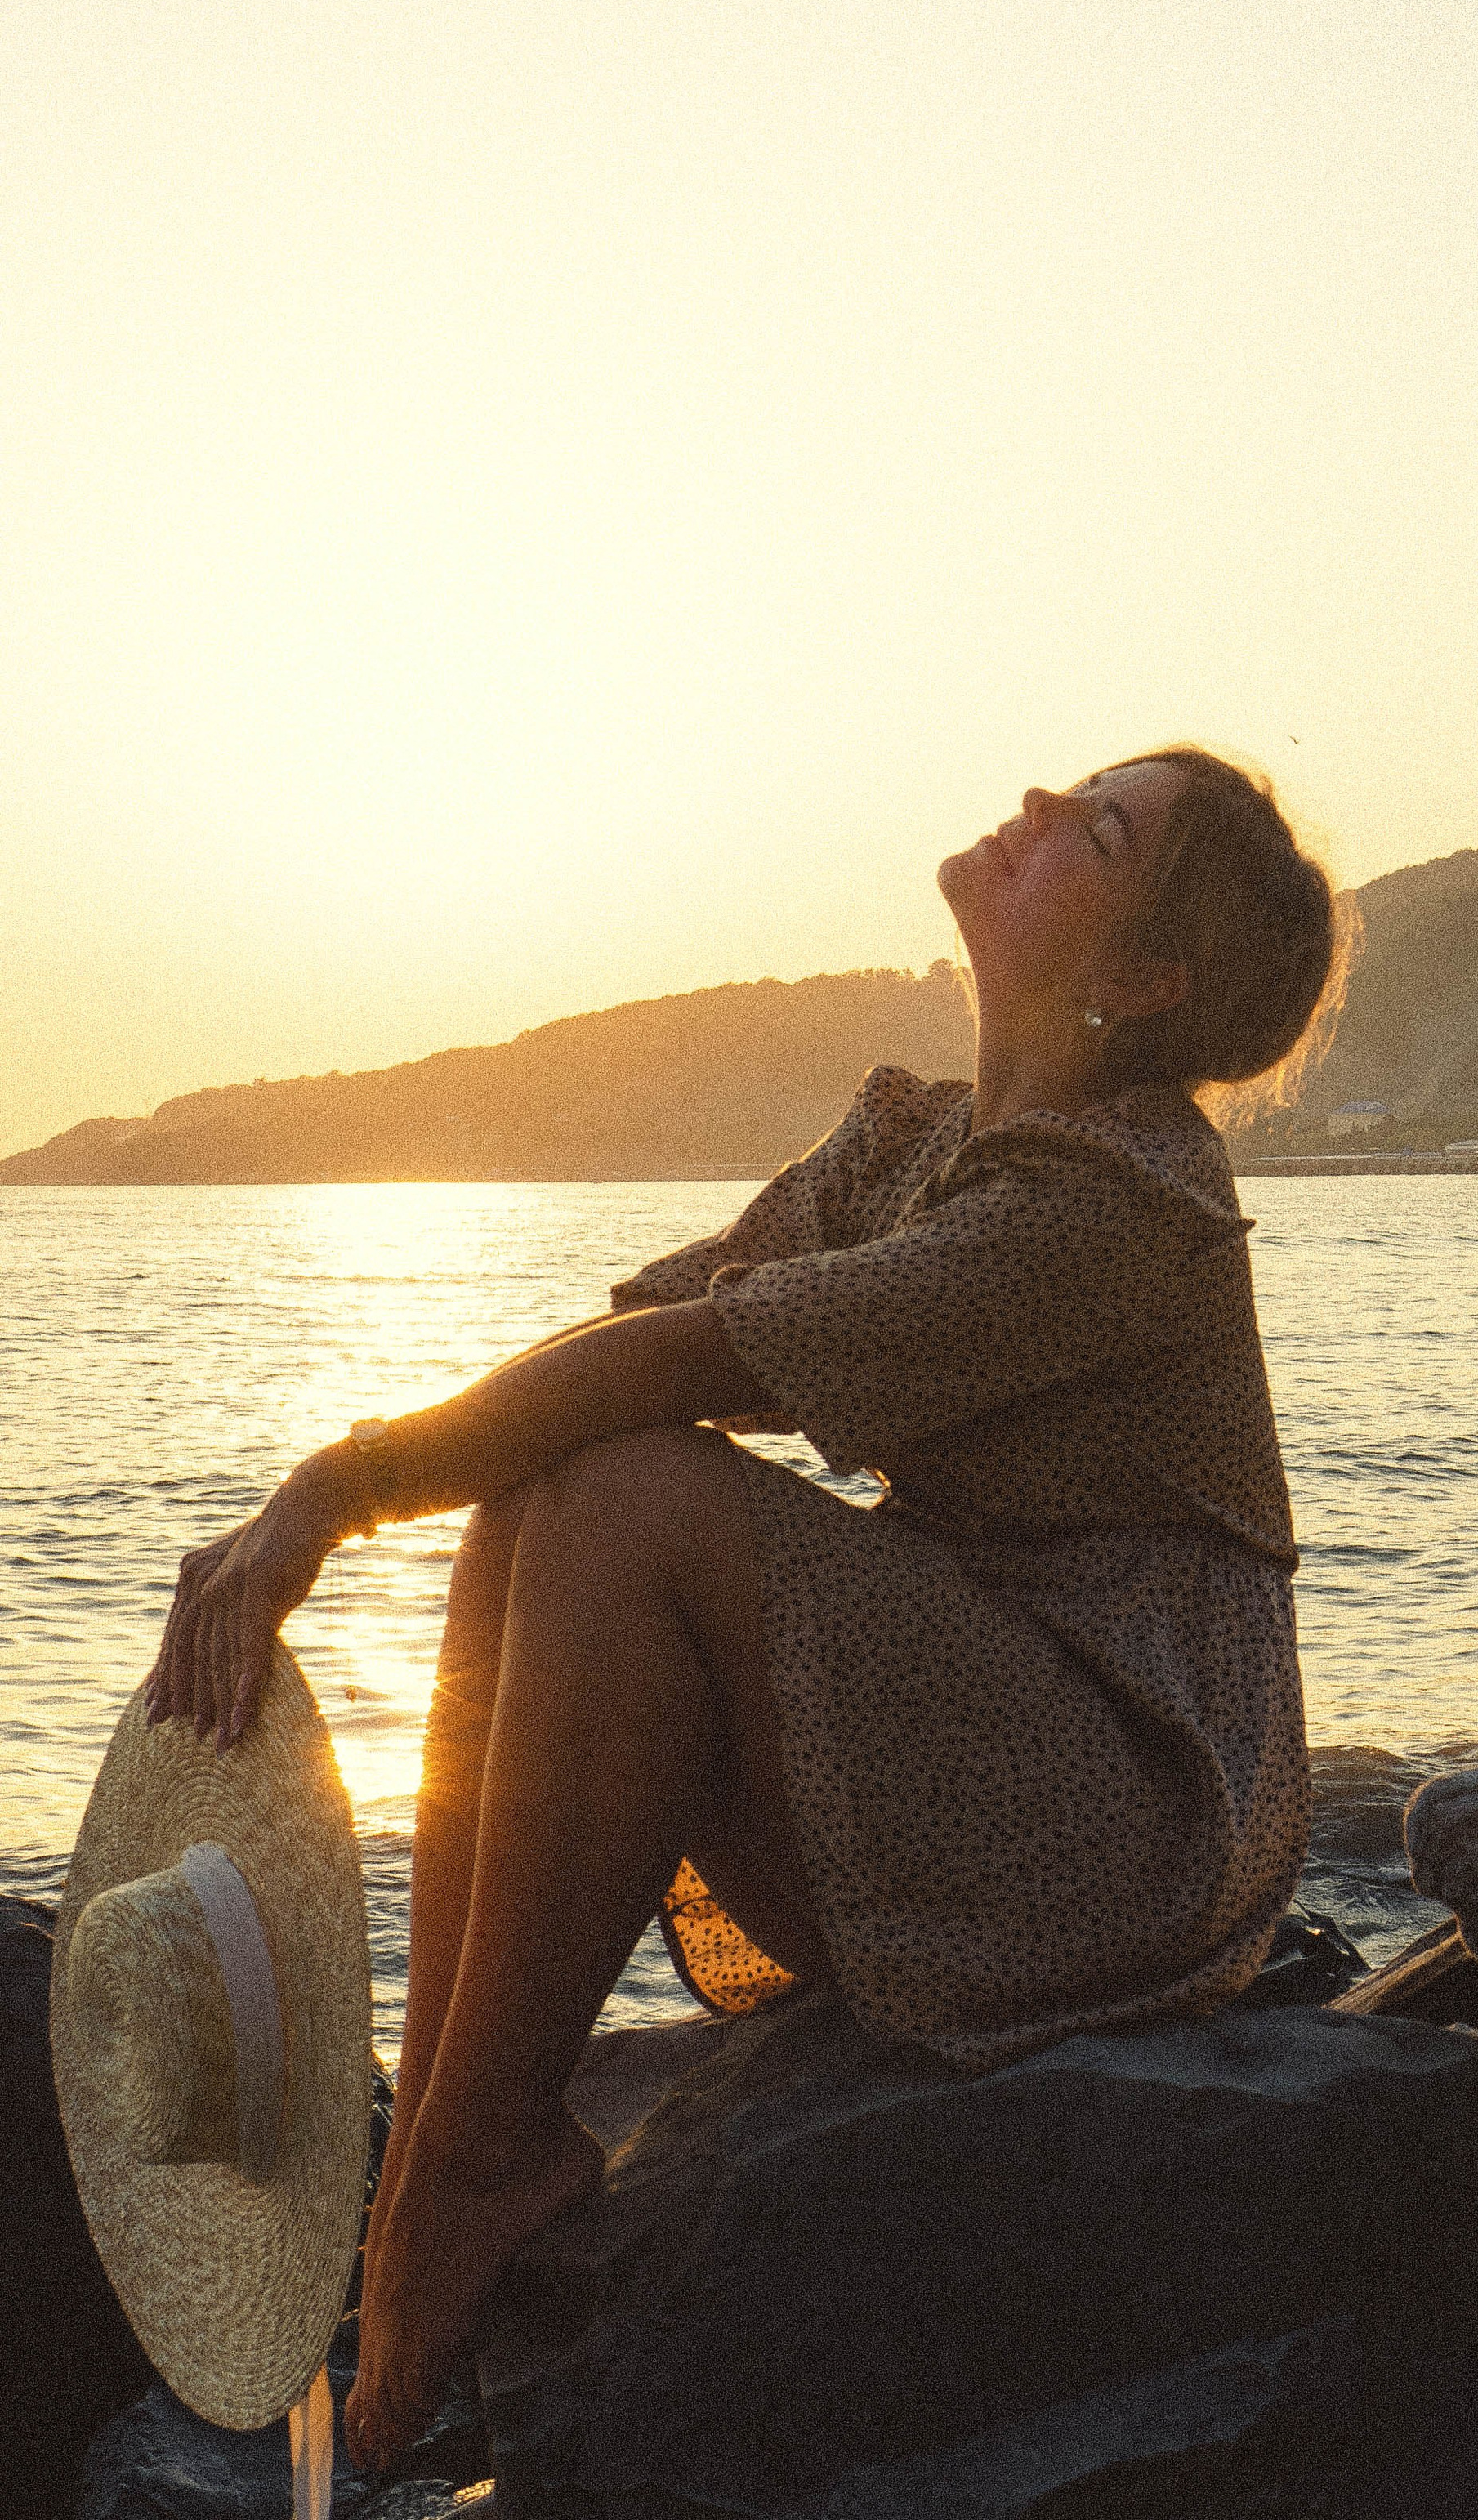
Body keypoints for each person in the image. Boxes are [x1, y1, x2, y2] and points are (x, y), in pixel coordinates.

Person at [144, 750, 1338, 2470]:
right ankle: (441, 2162)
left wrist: (332, 1492)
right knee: (566, 1472)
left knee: (617, 1481)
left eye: (1095, 830)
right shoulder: (919, 1143)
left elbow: (683, 1363)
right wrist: (422, 1463)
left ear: (1139, 977)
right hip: (989, 1742)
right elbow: (623, 1341)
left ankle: (463, 2172)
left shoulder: (1118, 1204)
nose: (1030, 799)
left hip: (1129, 1820)